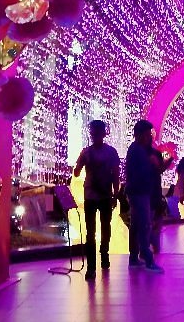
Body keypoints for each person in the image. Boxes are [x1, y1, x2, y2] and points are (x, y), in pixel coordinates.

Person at [73, 120, 121, 280]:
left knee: (96, 230)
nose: (94, 136)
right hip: (96, 196)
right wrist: (115, 194)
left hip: (98, 195)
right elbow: (115, 175)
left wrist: (115, 194)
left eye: (95, 133)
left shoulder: (94, 152)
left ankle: (97, 262)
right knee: (97, 230)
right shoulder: (103, 152)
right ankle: (96, 263)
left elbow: (115, 174)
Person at [124, 119, 169, 273]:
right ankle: (148, 261)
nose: (150, 137)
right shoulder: (138, 151)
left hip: (136, 192)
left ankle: (134, 259)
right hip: (140, 192)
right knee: (144, 225)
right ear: (141, 134)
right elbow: (143, 173)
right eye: (148, 134)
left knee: (136, 225)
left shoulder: (136, 149)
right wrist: (153, 164)